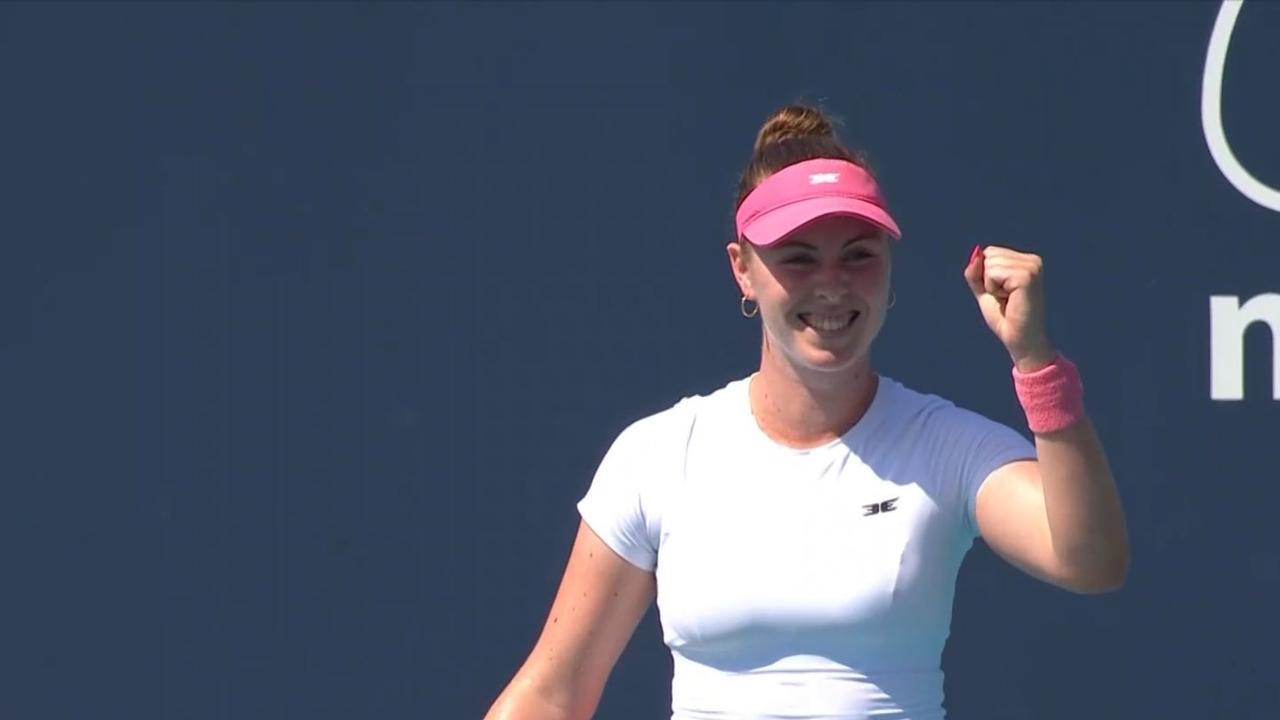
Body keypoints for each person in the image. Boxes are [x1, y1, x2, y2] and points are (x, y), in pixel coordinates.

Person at [482, 104, 1130, 720]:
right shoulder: (657, 456)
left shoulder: (945, 447)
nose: (832, 284)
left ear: (888, 268)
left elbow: (1089, 559)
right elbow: (552, 696)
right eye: (798, 258)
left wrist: (1035, 362)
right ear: (742, 269)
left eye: (858, 255)